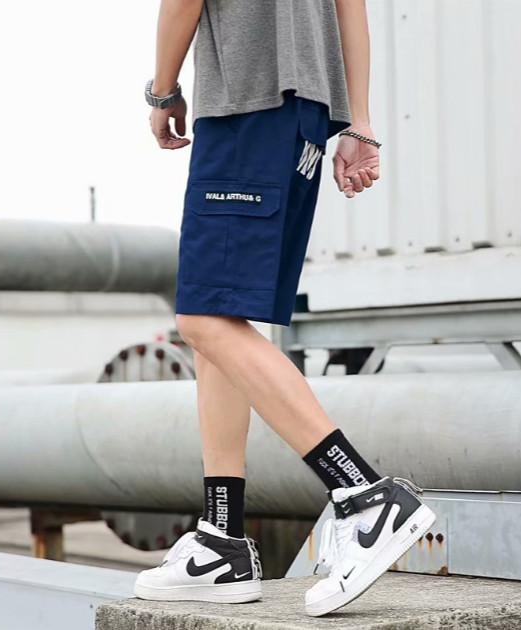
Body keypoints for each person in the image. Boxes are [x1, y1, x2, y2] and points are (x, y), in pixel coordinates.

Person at [134, 0, 435, 617]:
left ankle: (364, 497)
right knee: (218, 319)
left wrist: (162, 91)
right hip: (302, 113)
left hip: (248, 103)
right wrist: (358, 122)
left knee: (202, 319)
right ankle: (222, 540)